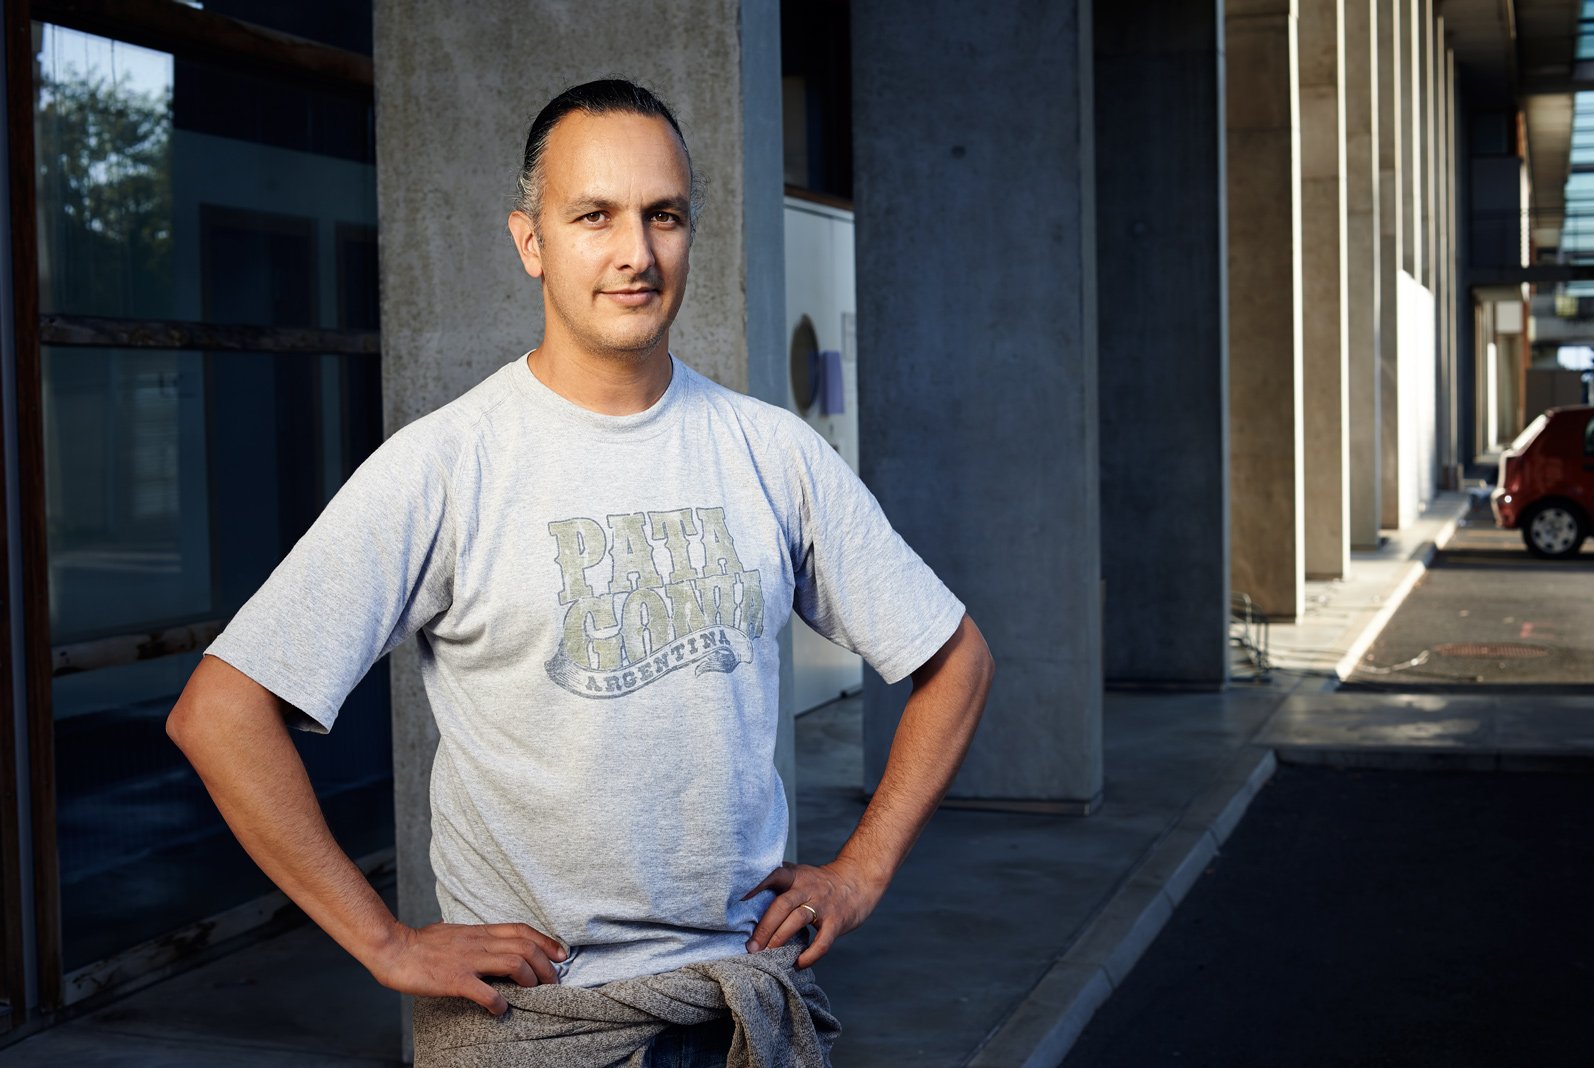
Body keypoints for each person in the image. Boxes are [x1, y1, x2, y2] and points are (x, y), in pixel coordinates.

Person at [167, 78, 993, 1065]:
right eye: (593, 216)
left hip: (742, 1002)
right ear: (532, 242)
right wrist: (382, 941)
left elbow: (957, 659)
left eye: (664, 216)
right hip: (539, 1026)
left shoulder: (774, 455)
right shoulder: (447, 465)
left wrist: (858, 873)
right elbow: (219, 712)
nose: (635, 254)